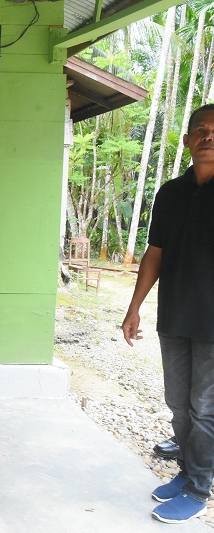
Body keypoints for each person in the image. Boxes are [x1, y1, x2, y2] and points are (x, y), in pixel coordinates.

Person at [122, 103, 214, 524]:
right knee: (178, 403)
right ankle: (185, 472)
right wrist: (134, 306)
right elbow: (154, 252)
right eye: (201, 129)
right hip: (175, 315)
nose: (208, 136)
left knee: (205, 408)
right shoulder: (170, 193)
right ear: (188, 139)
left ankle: (198, 489)